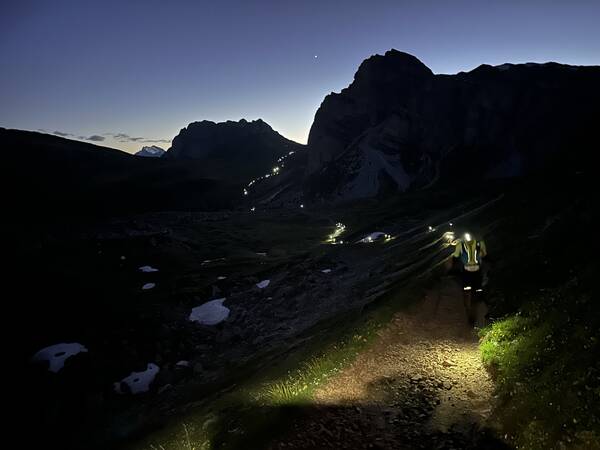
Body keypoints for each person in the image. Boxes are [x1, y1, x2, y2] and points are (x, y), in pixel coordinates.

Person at [452, 232, 487, 325]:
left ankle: (468, 306)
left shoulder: (460, 244)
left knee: (466, 289)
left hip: (466, 270)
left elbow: (455, 255)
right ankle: (480, 295)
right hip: (477, 270)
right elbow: (484, 254)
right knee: (479, 288)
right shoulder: (479, 243)